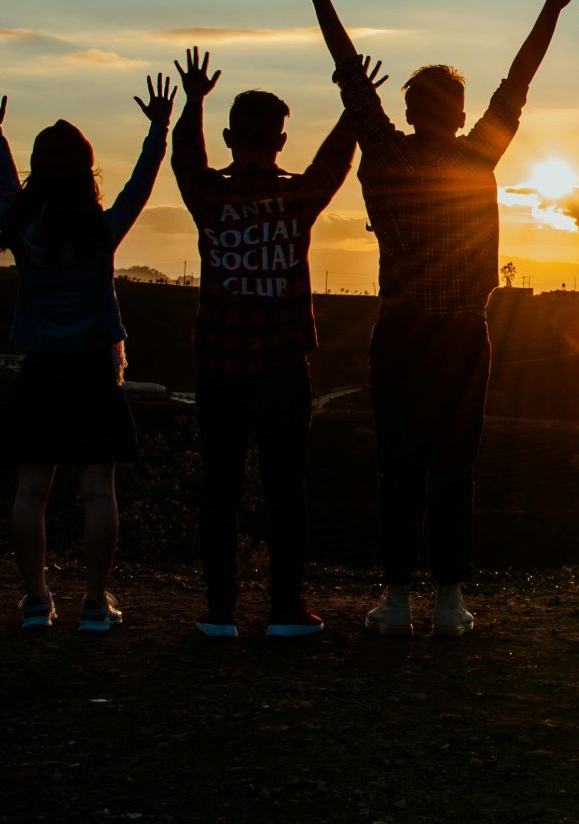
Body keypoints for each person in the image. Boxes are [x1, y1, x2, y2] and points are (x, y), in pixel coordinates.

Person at [312, 0, 572, 637]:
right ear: (458, 115)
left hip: (401, 333)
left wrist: (322, 4)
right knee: (455, 468)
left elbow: (348, 71)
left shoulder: (385, 153)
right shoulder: (475, 157)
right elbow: (518, 82)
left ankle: (396, 597)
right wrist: (551, 11)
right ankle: (449, 599)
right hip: (460, 337)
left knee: (399, 466)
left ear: (407, 111)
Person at [170, 47, 362, 638]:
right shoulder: (299, 198)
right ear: (281, 140)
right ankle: (285, 609)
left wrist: (193, 100)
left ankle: (220, 611)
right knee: (286, 489)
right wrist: (353, 103)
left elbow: (184, 157)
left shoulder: (208, 196)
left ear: (230, 136)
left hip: (219, 367)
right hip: (282, 367)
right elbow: (336, 161)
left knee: (219, 488)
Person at [0, 73, 176, 632]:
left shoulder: (22, 227)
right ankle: (95, 601)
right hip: (96, 368)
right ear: (86, 170)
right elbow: (140, 185)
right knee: (98, 491)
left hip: (40, 368)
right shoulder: (101, 229)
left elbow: (2, 176)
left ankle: (36, 600)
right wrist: (158, 130)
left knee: (31, 488)